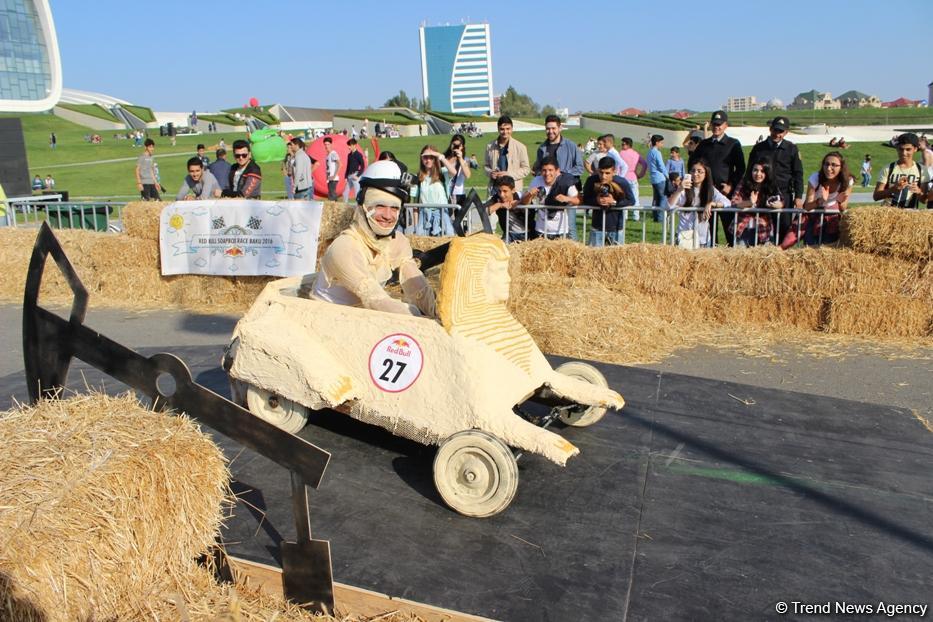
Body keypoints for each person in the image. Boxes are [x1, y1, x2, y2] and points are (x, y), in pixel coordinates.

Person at [309, 160, 435, 317]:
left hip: (362, 318)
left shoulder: (396, 241)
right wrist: (418, 318)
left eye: (394, 208)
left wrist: (436, 312)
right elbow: (375, 299)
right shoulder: (345, 246)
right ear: (364, 206)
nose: (388, 216)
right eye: (380, 206)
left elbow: (416, 285)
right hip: (326, 319)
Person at [688, 111, 745, 245]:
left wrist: (731, 185)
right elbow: (692, 163)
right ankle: (711, 251)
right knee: (709, 230)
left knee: (730, 229)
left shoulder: (733, 144)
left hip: (725, 194)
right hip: (707, 192)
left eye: (719, 124)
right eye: (714, 124)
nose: (716, 127)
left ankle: (732, 252)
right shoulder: (704, 144)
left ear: (725, 125)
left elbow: (741, 168)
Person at [746, 116, 804, 241]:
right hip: (762, 193)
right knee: (761, 228)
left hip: (784, 194)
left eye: (780, 131)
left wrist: (798, 196)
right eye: (775, 130)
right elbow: (749, 171)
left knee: (783, 230)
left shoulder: (791, 149)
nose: (777, 134)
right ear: (770, 129)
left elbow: (798, 174)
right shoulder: (758, 148)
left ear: (786, 132)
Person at [785, 151, 852, 247]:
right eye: (826, 164)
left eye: (834, 165)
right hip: (812, 214)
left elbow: (843, 208)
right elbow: (807, 206)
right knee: (789, 242)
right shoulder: (815, 178)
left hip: (831, 216)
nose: (828, 168)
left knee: (827, 246)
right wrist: (821, 200)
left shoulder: (847, 181)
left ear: (841, 167)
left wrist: (839, 201)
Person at [533, 115, 584, 240]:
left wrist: (562, 175)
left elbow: (579, 168)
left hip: (567, 191)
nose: (550, 131)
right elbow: (539, 168)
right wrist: (540, 173)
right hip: (548, 192)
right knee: (548, 225)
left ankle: (573, 250)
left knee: (570, 227)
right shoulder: (542, 148)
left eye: (553, 128)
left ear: (560, 128)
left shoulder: (571, 146)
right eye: (548, 129)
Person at [667, 160, 730, 249]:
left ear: (706, 174)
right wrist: (679, 189)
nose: (695, 174)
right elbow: (668, 206)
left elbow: (727, 202)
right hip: (685, 237)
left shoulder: (710, 190)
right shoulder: (684, 189)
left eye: (699, 171)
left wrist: (712, 204)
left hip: (702, 238)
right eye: (693, 171)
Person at [521, 156, 580, 240]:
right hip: (540, 231)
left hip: (560, 232)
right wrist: (529, 194)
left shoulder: (565, 182)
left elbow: (578, 200)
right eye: (544, 170)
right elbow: (524, 203)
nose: (547, 173)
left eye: (550, 170)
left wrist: (567, 198)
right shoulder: (537, 181)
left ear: (557, 171)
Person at [582, 156, 636, 246]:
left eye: (607, 173)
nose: (603, 176)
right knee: (595, 254)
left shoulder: (622, 182)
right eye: (601, 172)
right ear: (597, 170)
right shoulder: (591, 181)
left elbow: (631, 200)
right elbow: (585, 199)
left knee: (617, 254)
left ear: (614, 171)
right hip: (597, 226)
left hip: (616, 228)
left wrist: (614, 202)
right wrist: (597, 200)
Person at [729, 159, 779, 247]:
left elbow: (781, 200)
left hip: (764, 229)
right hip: (743, 227)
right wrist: (750, 202)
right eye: (755, 170)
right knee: (741, 255)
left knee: (765, 254)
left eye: (762, 171)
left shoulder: (771, 184)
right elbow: (734, 203)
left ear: (767, 173)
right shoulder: (744, 182)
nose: (758, 174)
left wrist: (777, 205)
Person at [873, 133, 929, 209]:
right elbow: (876, 196)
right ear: (897, 148)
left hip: (910, 213)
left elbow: (924, 200)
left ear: (915, 149)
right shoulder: (888, 168)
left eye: (908, 149)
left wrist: (919, 191)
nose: (904, 153)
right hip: (888, 212)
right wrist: (893, 189)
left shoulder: (922, 170)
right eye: (901, 149)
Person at [410, 145, 454, 237]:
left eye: (431, 157)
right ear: (421, 159)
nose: (428, 160)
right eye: (425, 157)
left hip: (442, 214)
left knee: (446, 241)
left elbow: (453, 172)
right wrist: (416, 227)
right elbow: (415, 204)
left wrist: (440, 156)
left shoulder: (442, 173)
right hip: (424, 216)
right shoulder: (417, 177)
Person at [484, 115, 531, 195]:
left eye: (508, 129)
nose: (505, 132)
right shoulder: (490, 146)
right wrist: (490, 173)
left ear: (512, 129)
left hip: (514, 190)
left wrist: (509, 174)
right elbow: (486, 166)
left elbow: (526, 169)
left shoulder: (520, 147)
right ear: (498, 129)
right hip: (495, 190)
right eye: (502, 129)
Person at [485, 175, 526, 243]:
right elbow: (483, 211)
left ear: (513, 190)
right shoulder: (497, 198)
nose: (501, 195)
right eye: (499, 191)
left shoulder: (521, 196)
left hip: (526, 233)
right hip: (508, 234)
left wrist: (519, 203)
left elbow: (532, 214)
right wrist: (499, 205)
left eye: (505, 191)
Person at [618, 137, 647, 221]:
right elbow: (644, 164)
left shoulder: (621, 153)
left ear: (627, 145)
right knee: (635, 197)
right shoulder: (636, 154)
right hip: (633, 176)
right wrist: (640, 174)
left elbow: (618, 166)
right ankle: (636, 216)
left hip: (623, 177)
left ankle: (625, 215)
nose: (622, 145)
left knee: (624, 197)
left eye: (623, 144)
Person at [444, 134, 472, 205]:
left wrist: (460, 159)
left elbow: (468, 175)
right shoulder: (444, 158)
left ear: (462, 146)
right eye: (454, 144)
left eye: (458, 145)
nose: (455, 147)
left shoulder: (465, 160)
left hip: (459, 194)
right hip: (445, 193)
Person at [647, 135, 667, 221]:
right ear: (657, 143)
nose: (662, 144)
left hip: (653, 177)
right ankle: (660, 218)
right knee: (663, 197)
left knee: (656, 198)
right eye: (661, 143)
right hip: (660, 177)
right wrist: (667, 175)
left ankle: (655, 216)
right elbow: (661, 166)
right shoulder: (657, 153)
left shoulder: (649, 152)